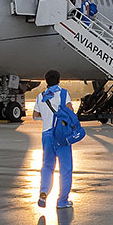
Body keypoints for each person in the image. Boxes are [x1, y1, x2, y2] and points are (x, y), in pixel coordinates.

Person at [32, 70, 74, 208]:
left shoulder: (40, 96)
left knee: (47, 166)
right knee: (65, 169)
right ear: (59, 80)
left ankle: (43, 193)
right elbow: (69, 110)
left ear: (46, 81)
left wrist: (46, 118)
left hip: (46, 135)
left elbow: (35, 116)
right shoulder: (63, 93)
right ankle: (62, 201)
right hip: (61, 134)